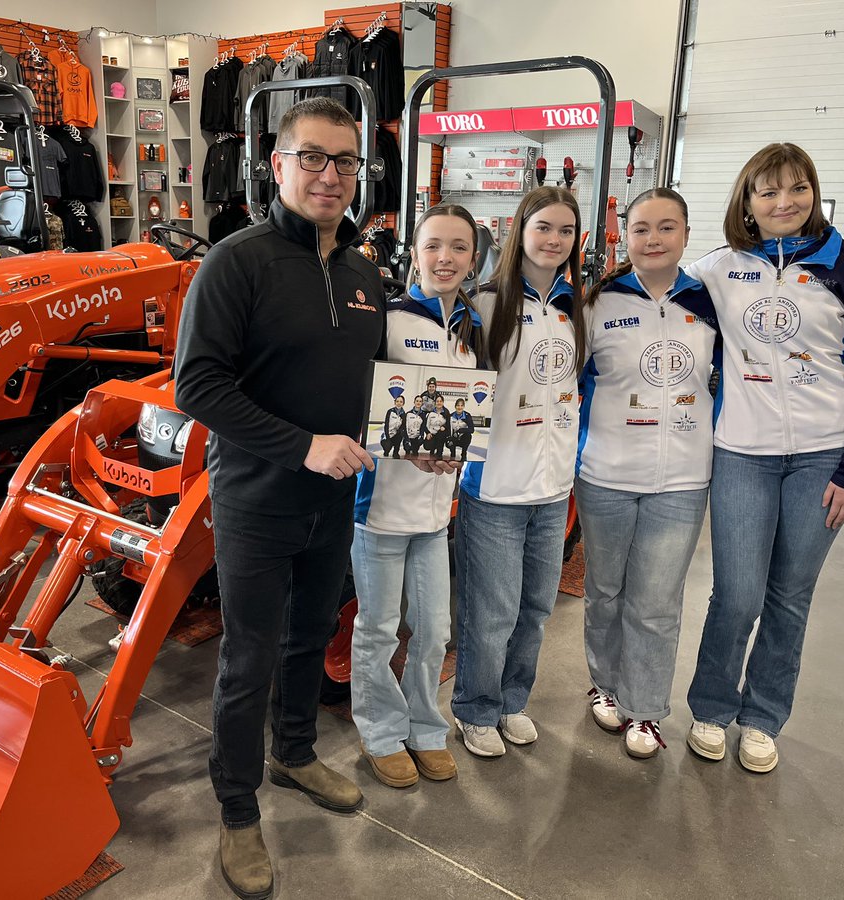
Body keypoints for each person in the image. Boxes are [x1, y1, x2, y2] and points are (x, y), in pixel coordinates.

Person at [173, 97, 385, 900]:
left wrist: (418, 442)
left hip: (333, 499)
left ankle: (294, 754)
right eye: (313, 158)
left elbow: (374, 388)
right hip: (257, 498)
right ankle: (236, 811)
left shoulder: (364, 272)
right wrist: (303, 446)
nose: (330, 176)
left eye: (344, 162)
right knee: (249, 655)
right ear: (278, 164)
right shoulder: (238, 260)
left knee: (309, 638)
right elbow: (198, 385)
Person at [683, 143, 844, 774]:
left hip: (823, 459)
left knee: (790, 596)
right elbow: (654, 302)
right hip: (742, 454)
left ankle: (763, 717)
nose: (784, 203)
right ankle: (712, 707)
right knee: (738, 594)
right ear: (746, 201)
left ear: (814, 193)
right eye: (768, 192)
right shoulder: (718, 269)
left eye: (797, 189)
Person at [574, 188, 719, 760]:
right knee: (605, 592)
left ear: (686, 234)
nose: (653, 239)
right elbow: (572, 386)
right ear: (624, 235)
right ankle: (605, 684)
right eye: (641, 229)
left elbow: (732, 382)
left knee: (656, 601)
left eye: (666, 227)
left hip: (682, 480)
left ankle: (647, 709)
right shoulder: (597, 302)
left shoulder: (709, 304)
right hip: (606, 473)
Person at [352, 203, 483, 788]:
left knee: (434, 630)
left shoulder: (473, 328)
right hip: (379, 508)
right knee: (378, 629)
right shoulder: (387, 318)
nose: (445, 258)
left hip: (436, 510)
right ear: (415, 252)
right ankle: (380, 731)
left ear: (473, 258)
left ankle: (426, 728)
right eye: (433, 245)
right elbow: (358, 406)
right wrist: (404, 447)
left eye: (458, 247)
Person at [451, 186, 585, 758]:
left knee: (535, 606)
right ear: (519, 232)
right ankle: (475, 708)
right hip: (495, 486)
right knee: (491, 610)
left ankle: (511, 700)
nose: (554, 240)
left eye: (565, 231)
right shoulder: (483, 302)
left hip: (553, 489)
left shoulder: (578, 306)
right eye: (543, 228)